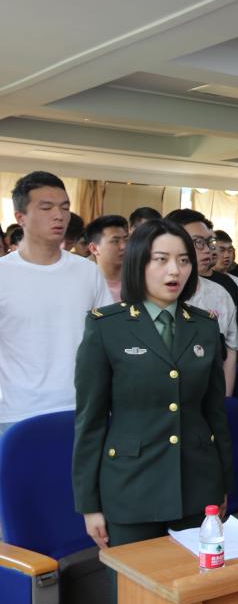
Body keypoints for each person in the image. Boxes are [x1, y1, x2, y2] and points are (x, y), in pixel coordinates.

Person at [72, 219, 232, 604]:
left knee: (196, 599)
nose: (174, 270)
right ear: (139, 264)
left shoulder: (204, 325)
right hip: (131, 490)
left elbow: (215, 413)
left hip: (196, 486)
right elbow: (90, 421)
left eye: (183, 260)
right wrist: (90, 505)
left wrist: (222, 484)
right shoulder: (106, 326)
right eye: (161, 260)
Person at [0, 172, 112, 437]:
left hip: (83, 410)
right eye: (46, 207)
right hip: (18, 413)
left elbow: (109, 338)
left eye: (64, 207)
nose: (59, 216)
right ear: (20, 217)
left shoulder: (88, 272)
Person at [165, 209, 238, 397]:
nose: (207, 250)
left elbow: (229, 353)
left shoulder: (220, 295)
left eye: (209, 242)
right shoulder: (153, 293)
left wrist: (224, 400)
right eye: (198, 242)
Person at [84, 215, 129, 302]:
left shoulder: (140, 282)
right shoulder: (86, 286)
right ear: (94, 248)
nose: (123, 246)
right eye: (115, 241)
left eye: (126, 240)